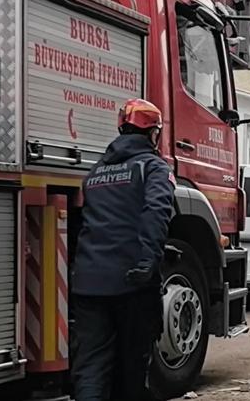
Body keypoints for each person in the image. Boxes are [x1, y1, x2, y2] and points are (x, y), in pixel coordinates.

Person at [71, 99, 175, 401]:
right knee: (132, 366)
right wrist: (148, 262)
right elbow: (156, 213)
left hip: (89, 284)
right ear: (153, 133)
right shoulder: (153, 167)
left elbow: (86, 221)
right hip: (131, 283)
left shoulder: (96, 171)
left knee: (91, 365)